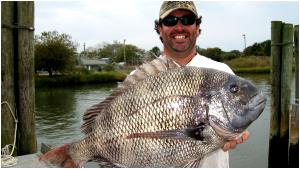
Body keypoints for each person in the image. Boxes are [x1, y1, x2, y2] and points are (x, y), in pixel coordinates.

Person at [153, 1, 250, 167]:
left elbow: (236, 113)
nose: (179, 27)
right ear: (160, 29)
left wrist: (239, 130)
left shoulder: (221, 71)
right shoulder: (139, 78)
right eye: (170, 21)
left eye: (188, 20)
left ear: (198, 28)